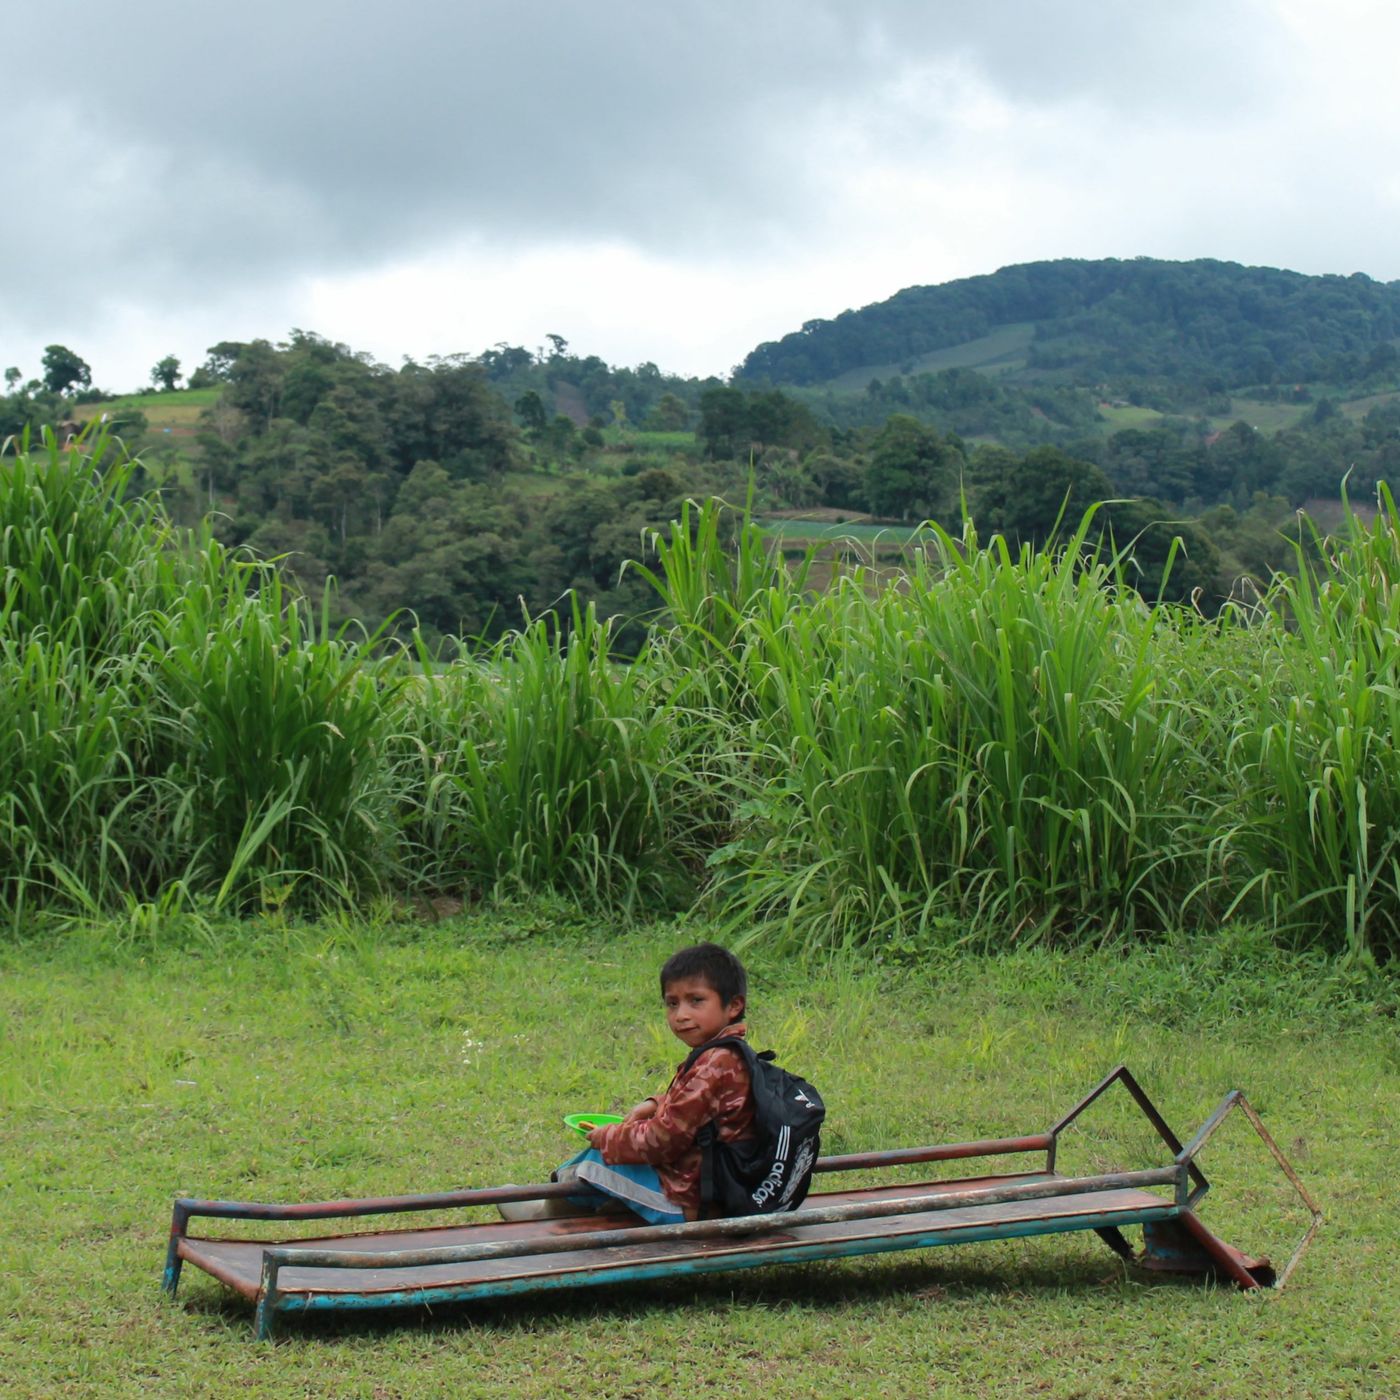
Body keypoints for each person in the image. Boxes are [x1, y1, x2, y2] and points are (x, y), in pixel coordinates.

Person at [501, 942, 756, 1225]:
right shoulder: (731, 1054)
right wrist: (654, 1104)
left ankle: (545, 1218)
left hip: (694, 1204)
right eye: (673, 1003)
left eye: (696, 1001)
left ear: (733, 1005)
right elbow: (701, 1108)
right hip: (718, 1188)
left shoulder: (713, 1064)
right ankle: (593, 1212)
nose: (681, 1014)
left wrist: (608, 1136)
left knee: (595, 1163)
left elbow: (662, 1142)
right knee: (618, 1158)